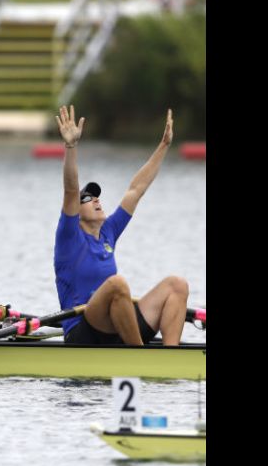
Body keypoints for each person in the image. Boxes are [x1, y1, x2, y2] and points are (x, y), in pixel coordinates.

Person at [53, 105, 188, 346]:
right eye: (87, 198)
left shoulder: (108, 232)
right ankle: (137, 356)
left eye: (96, 196)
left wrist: (164, 146)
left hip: (115, 324)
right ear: (76, 209)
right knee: (117, 284)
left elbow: (136, 189)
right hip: (82, 330)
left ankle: (171, 357)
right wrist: (71, 146)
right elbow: (71, 188)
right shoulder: (69, 236)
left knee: (177, 285)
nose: (95, 200)